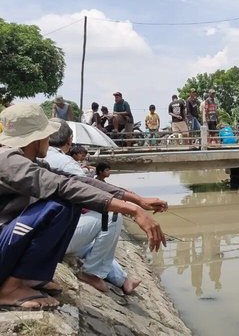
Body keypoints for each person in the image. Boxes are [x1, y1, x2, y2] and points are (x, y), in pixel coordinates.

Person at [0, 104, 167, 310]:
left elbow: (75, 181)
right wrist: (132, 211)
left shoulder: (28, 160)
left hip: (7, 243)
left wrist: (136, 200)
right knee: (60, 204)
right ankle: (10, 289)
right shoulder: (8, 161)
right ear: (36, 138)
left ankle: (31, 278)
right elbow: (65, 186)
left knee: (70, 200)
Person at [43, 120, 145, 294]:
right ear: (70, 140)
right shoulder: (65, 163)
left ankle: (122, 279)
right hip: (53, 234)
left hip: (49, 229)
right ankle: (91, 273)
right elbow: (89, 191)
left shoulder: (35, 158)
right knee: (111, 216)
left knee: (92, 247)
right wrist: (131, 206)